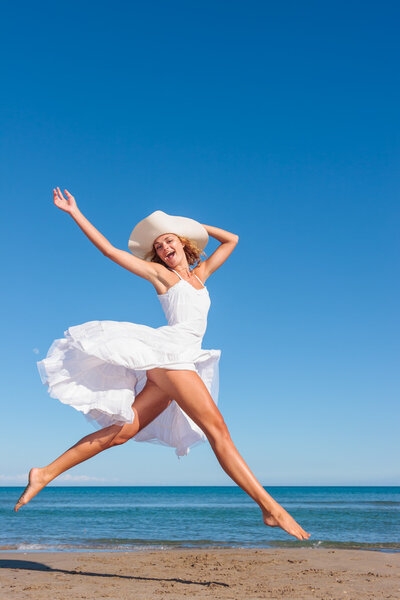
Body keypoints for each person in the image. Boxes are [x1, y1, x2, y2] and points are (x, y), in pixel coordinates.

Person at [15, 187, 310, 542]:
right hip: (172, 357)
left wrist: (189, 225)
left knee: (122, 433)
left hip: (174, 362)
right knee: (218, 431)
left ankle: (45, 473)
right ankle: (270, 508)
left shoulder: (200, 277)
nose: (164, 249)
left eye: (169, 241)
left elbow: (231, 240)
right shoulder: (163, 278)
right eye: (158, 247)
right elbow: (110, 251)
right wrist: (75, 212)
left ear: (184, 243)